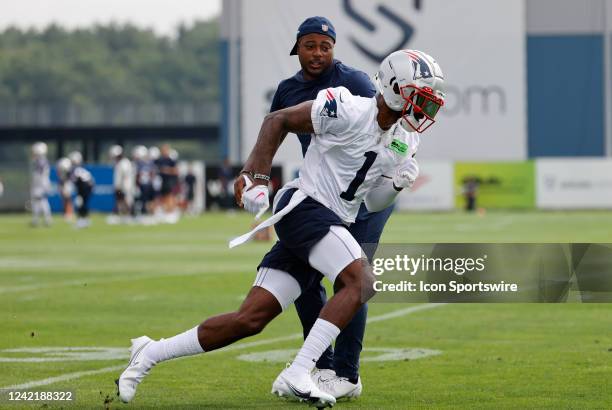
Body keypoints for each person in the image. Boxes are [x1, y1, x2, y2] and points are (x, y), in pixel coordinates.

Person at [117, 49, 445, 408]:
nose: (425, 109)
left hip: (331, 222)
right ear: (396, 88)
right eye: (421, 97)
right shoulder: (349, 108)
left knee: (249, 319)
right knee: (361, 281)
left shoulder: (406, 139)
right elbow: (277, 120)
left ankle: (149, 353)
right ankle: (301, 371)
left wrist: (397, 184)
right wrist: (255, 176)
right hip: (304, 208)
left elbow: (373, 203)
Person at [248, 16, 384, 398]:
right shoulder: (287, 90)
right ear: (297, 48)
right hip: (319, 194)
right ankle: (319, 365)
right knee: (308, 278)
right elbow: (273, 130)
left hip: (361, 200)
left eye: (326, 46)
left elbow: (381, 128)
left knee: (352, 278)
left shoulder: (353, 81)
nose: (318, 53)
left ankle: (347, 374)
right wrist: (257, 181)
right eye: (310, 46)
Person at [108, 145, 134, 224]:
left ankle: (128, 216)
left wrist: (119, 185)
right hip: (122, 185)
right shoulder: (120, 163)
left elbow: (124, 175)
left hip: (124, 186)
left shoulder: (124, 162)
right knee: (120, 201)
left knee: (125, 201)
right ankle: (122, 215)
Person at [68, 151, 95, 229]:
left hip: (84, 189)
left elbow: (78, 181)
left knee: (81, 205)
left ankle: (82, 221)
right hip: (87, 188)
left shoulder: (76, 170)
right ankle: (84, 220)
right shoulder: (80, 169)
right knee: (82, 204)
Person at [29, 142, 52, 227]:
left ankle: (42, 219)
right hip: (42, 183)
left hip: (40, 184)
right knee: (41, 201)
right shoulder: (41, 160)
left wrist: (35, 183)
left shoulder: (40, 161)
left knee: (40, 201)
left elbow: (39, 174)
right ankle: (42, 219)